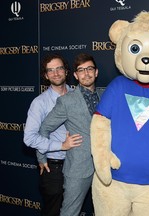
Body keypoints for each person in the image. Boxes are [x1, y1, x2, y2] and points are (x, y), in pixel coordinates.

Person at [39, 53, 101, 216]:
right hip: (78, 167)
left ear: (96, 72)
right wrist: (41, 157)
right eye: (81, 70)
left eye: (89, 69)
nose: (86, 73)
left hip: (104, 166)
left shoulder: (106, 96)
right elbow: (44, 128)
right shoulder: (67, 101)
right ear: (75, 75)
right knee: (69, 212)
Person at [24, 53, 82, 216]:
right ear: (46, 75)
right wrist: (61, 146)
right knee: (53, 212)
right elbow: (29, 137)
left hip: (78, 165)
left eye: (59, 68)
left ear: (66, 71)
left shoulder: (78, 95)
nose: (56, 73)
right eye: (51, 70)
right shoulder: (40, 103)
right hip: (55, 168)